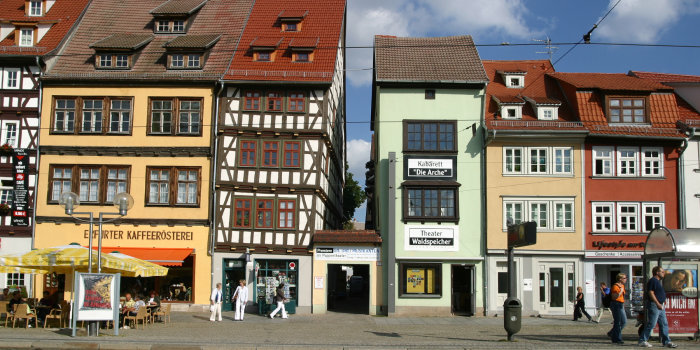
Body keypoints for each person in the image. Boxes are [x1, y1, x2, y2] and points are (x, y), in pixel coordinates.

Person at [639, 266, 677, 348]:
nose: (663, 273)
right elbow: (651, 292)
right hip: (655, 305)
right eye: (662, 272)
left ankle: (666, 341)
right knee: (652, 323)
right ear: (657, 272)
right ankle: (642, 340)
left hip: (660, 305)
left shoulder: (658, 281)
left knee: (664, 323)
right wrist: (657, 303)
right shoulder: (653, 281)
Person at [608, 273, 627, 345]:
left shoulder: (622, 286)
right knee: (618, 322)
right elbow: (614, 297)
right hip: (616, 304)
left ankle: (612, 333)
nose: (626, 279)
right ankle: (617, 338)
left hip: (621, 304)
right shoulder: (615, 286)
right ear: (620, 279)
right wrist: (620, 292)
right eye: (624, 278)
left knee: (624, 321)